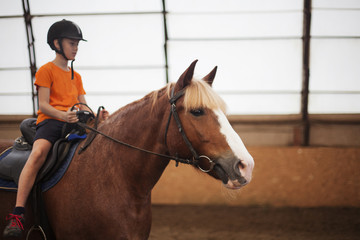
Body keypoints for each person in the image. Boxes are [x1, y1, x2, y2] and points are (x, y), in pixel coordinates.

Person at [3, 19, 109, 238]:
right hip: (50, 123)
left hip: (74, 123)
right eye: (72, 43)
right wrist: (63, 115)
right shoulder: (46, 70)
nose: (76, 47)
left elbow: (82, 104)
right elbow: (42, 105)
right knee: (38, 155)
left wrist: (97, 115)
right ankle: (17, 214)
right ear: (57, 43)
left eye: (77, 43)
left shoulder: (76, 76)